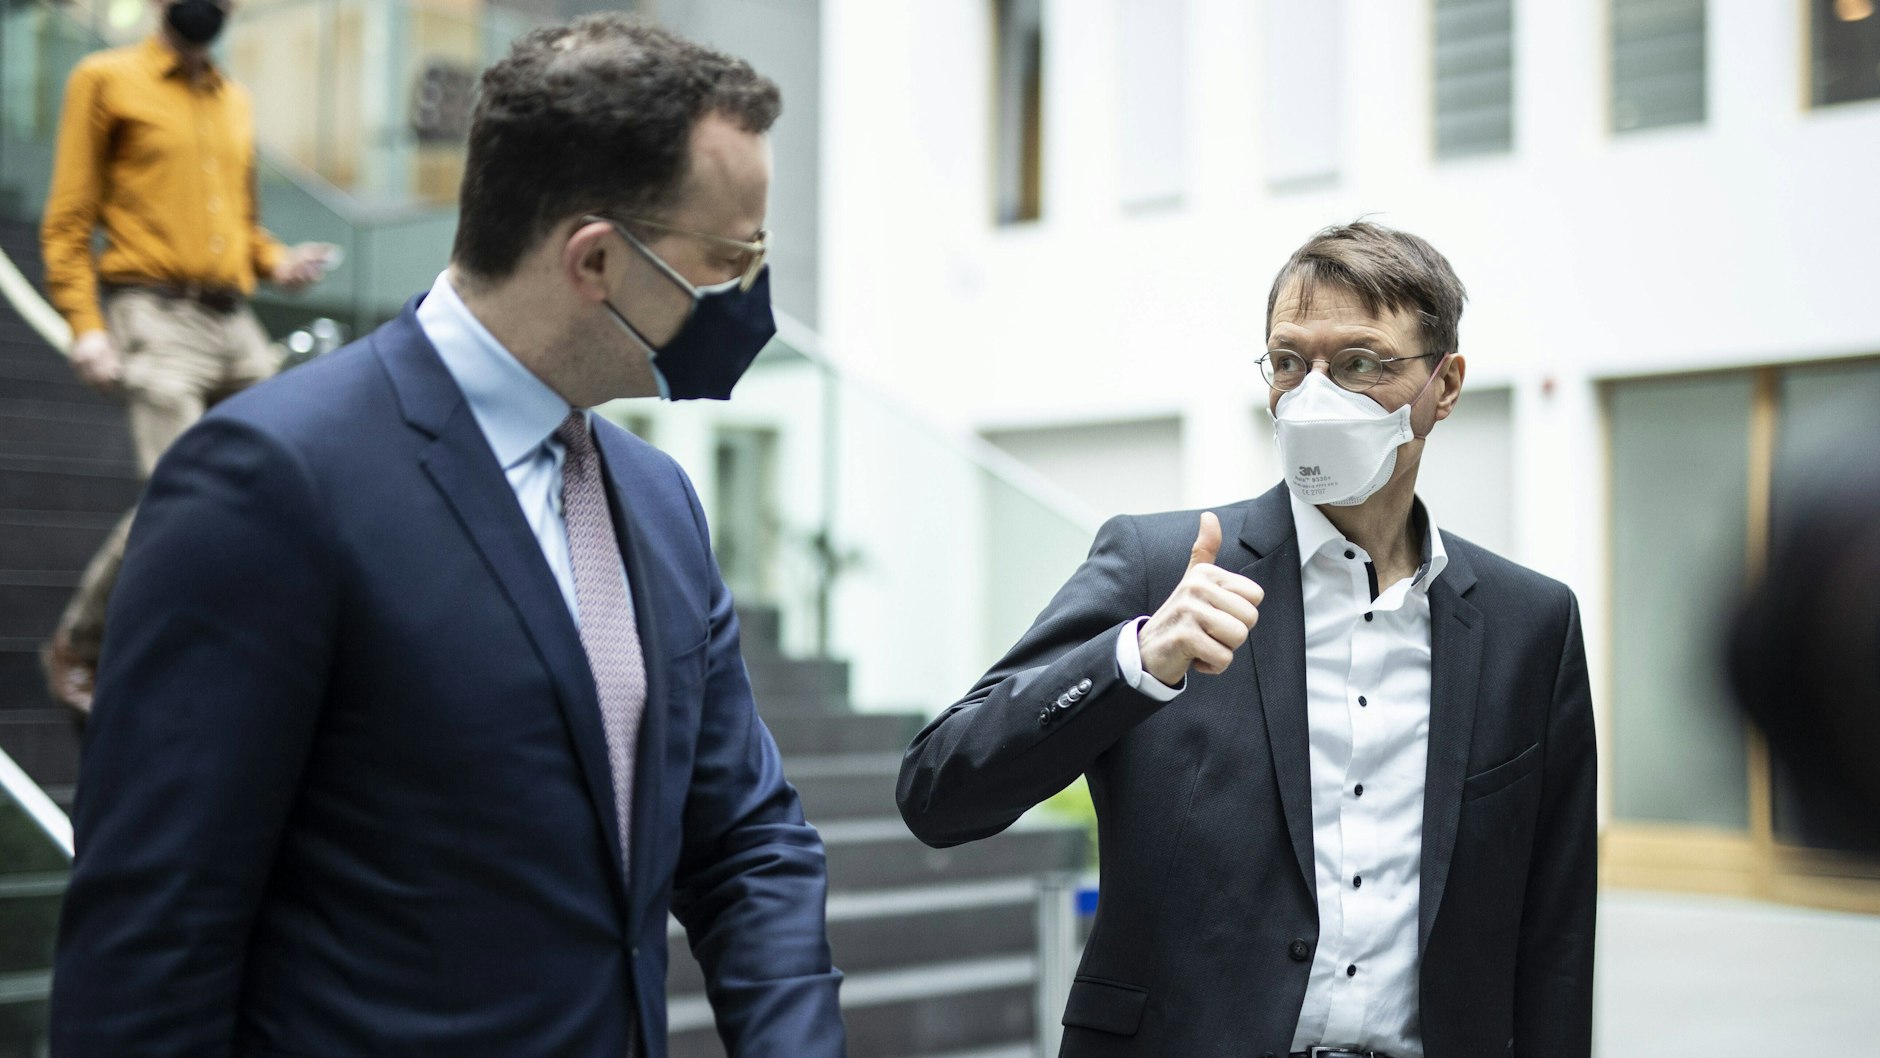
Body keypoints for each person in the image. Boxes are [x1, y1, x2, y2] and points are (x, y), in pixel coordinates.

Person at [52, 15, 844, 1058]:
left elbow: (744, 838)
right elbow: (152, 948)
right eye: (731, 256)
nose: (750, 292)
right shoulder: (270, 479)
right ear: (597, 259)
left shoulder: (657, 500)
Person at [899, 222, 1595, 1058]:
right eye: (1290, 362)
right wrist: (1134, 661)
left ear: (1443, 386)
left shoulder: (1530, 623)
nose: (1314, 395)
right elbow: (938, 793)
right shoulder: (1161, 570)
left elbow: (1554, 940)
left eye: (1360, 363)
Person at [38, 0, 332, 715]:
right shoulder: (104, 77)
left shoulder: (232, 97)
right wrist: (85, 325)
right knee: (182, 490)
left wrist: (276, 260)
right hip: (151, 312)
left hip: (234, 320)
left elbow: (241, 220)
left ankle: (231, 641)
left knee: (283, 476)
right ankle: (80, 641)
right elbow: (70, 218)